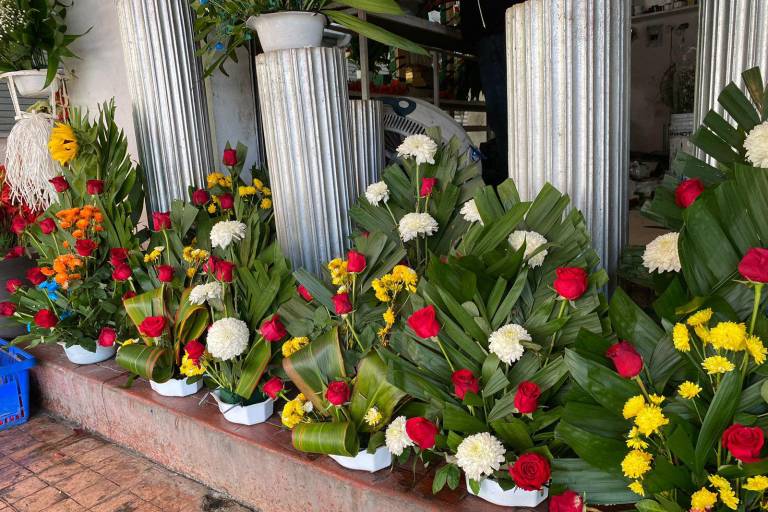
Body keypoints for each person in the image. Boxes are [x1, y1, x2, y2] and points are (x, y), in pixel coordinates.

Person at [461, 0, 525, 186]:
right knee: (507, 119)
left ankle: (515, 186)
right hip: (499, 27)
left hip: (497, 29)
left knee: (506, 118)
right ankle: (516, 184)